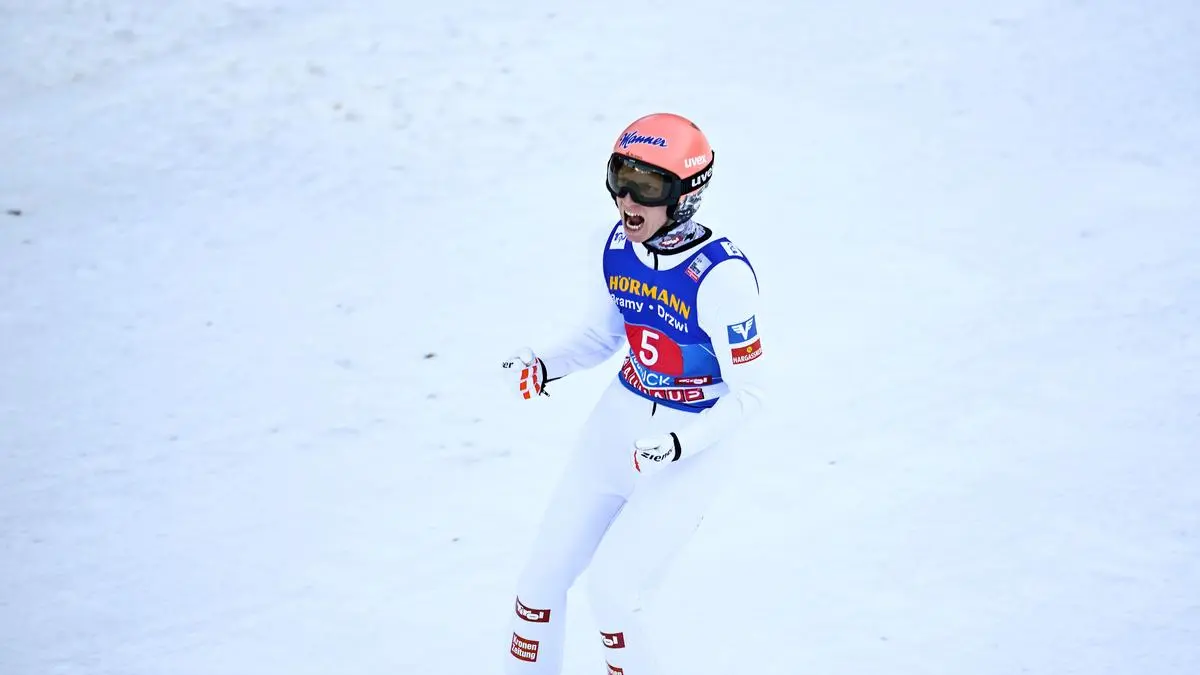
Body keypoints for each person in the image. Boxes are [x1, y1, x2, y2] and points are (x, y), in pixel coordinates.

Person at [501, 112, 768, 675]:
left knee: (613, 598)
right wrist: (546, 363)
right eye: (619, 178)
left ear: (686, 195)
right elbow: (604, 335)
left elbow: (752, 393)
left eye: (647, 187)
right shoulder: (615, 246)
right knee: (537, 587)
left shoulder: (722, 276)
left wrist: (680, 444)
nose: (627, 201)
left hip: (689, 445)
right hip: (618, 423)